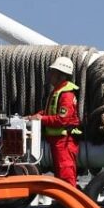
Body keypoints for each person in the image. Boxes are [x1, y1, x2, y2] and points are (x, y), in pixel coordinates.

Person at [28, 56, 81, 187]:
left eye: (54, 72)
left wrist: (42, 119)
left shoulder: (66, 95)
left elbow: (62, 120)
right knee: (60, 176)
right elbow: (49, 112)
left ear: (62, 76)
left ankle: (68, 205)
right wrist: (33, 117)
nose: (50, 75)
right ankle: (62, 205)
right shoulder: (57, 92)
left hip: (64, 142)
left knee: (66, 176)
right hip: (57, 141)